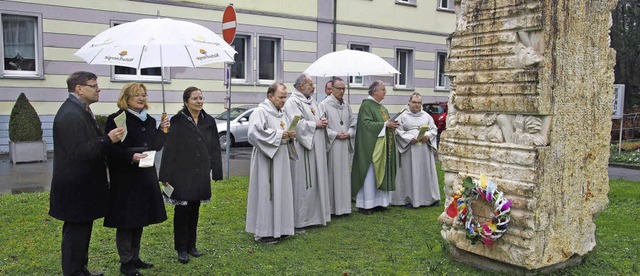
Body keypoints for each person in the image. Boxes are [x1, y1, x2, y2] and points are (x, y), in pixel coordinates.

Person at [49, 71, 125, 276]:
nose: (98, 89)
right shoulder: (71, 115)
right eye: (94, 85)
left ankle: (80, 269)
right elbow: (79, 152)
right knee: (75, 233)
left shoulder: (80, 110)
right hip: (75, 186)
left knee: (81, 231)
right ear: (79, 88)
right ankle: (74, 272)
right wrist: (108, 139)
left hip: (82, 185)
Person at [104, 83, 169, 276]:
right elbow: (110, 148)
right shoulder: (118, 119)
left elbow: (155, 146)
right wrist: (129, 157)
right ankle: (126, 262)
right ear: (126, 98)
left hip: (145, 175)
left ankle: (135, 257)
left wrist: (163, 131)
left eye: (143, 95)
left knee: (139, 218)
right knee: (127, 220)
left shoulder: (148, 120)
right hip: (126, 177)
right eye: (136, 95)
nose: (141, 98)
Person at [159, 87, 223, 264]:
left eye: (201, 98)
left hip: (201, 172)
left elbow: (215, 146)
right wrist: (165, 174)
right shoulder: (178, 120)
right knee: (182, 210)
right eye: (195, 98)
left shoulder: (208, 120)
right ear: (186, 101)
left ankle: (191, 245)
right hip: (181, 173)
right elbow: (170, 149)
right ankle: (181, 248)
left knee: (195, 208)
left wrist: (216, 170)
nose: (199, 101)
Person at [245, 83, 296, 244]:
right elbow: (254, 133)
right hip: (266, 158)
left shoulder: (281, 113)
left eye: (285, 97)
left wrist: (289, 135)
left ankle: (281, 228)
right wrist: (280, 135)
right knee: (267, 193)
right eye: (281, 97)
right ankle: (265, 231)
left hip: (281, 156)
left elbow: (284, 131)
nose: (284, 100)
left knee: (282, 191)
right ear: (270, 96)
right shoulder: (260, 112)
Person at [283, 73, 331, 231]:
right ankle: (301, 220)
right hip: (303, 148)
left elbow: (317, 118)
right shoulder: (292, 102)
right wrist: (315, 124)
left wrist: (322, 121)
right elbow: (296, 124)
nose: (313, 87)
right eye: (310, 84)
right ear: (301, 86)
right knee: (303, 183)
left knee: (316, 182)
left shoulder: (312, 101)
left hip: (316, 147)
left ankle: (316, 216)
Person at [351, 80, 399, 215]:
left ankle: (380, 202)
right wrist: (385, 125)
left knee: (381, 172)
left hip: (382, 148)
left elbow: (385, 123)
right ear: (375, 91)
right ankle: (366, 204)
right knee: (370, 174)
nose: (385, 92)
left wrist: (392, 125)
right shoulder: (366, 106)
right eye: (383, 89)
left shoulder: (381, 107)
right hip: (370, 147)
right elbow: (366, 125)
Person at [391, 93, 440, 208]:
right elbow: (397, 131)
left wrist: (427, 135)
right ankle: (409, 198)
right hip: (409, 150)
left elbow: (434, 129)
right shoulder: (402, 116)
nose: (417, 105)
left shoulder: (427, 116)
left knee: (424, 173)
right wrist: (409, 139)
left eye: (419, 103)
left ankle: (428, 198)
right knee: (409, 174)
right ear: (409, 102)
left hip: (423, 150)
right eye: (414, 102)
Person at [318, 77, 355, 216]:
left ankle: (344, 207)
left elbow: (353, 124)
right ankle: (332, 208)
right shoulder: (323, 105)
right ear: (331, 89)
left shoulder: (347, 106)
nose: (341, 91)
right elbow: (322, 127)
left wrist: (350, 133)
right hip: (332, 145)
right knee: (332, 175)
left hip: (345, 145)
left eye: (343, 88)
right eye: (338, 88)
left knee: (344, 175)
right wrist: (335, 134)